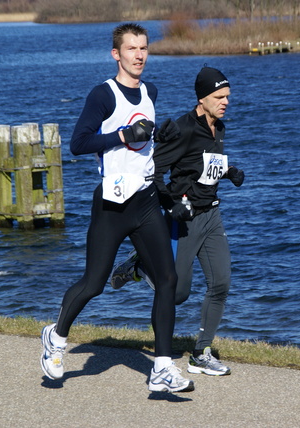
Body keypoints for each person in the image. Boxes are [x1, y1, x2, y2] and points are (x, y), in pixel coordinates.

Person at [40, 23, 194, 393]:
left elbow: (146, 143)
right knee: (94, 284)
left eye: (144, 48)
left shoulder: (150, 91)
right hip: (112, 204)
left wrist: (162, 135)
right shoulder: (103, 95)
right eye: (132, 49)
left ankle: (161, 367)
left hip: (144, 201)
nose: (140, 55)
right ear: (116, 54)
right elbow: (78, 143)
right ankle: (56, 338)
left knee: (168, 280)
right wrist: (125, 135)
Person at [110, 66, 245, 377]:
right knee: (178, 293)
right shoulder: (183, 129)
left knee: (221, 283)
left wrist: (229, 171)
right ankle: (139, 267)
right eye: (219, 97)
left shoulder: (219, 128)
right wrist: (171, 205)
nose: (225, 102)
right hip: (183, 219)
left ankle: (201, 353)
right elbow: (153, 171)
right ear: (202, 97)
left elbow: (203, 165)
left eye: (227, 96)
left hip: (211, 215)